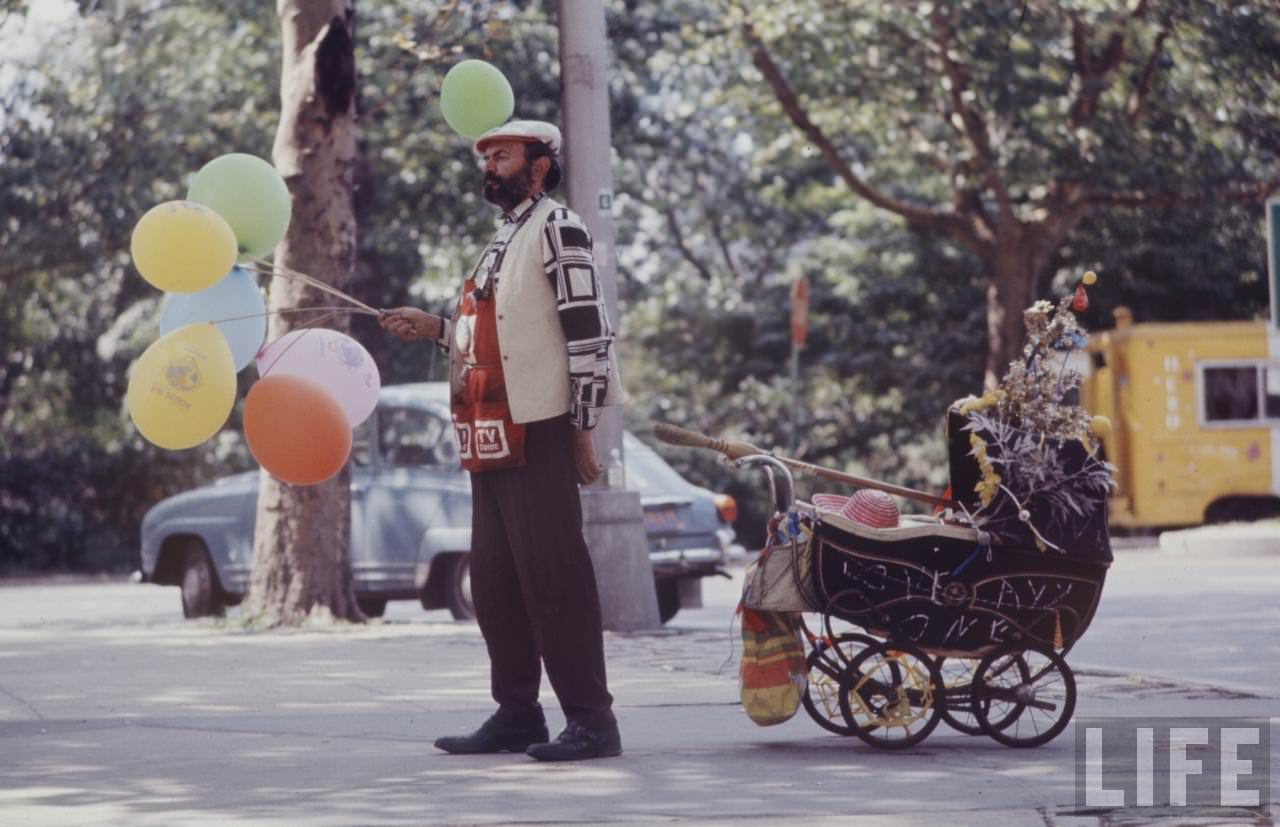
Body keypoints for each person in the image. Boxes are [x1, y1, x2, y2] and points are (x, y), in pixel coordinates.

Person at [379, 119, 624, 762]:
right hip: (488, 434)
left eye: (503, 155)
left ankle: (593, 722)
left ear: (540, 165)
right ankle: (518, 714)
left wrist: (582, 430)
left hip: (540, 427)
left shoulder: (560, 226)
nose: (489, 165)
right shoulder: (503, 238)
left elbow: (589, 337)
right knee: (496, 581)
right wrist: (436, 327)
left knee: (554, 578)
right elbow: (492, 336)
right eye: (484, 156)